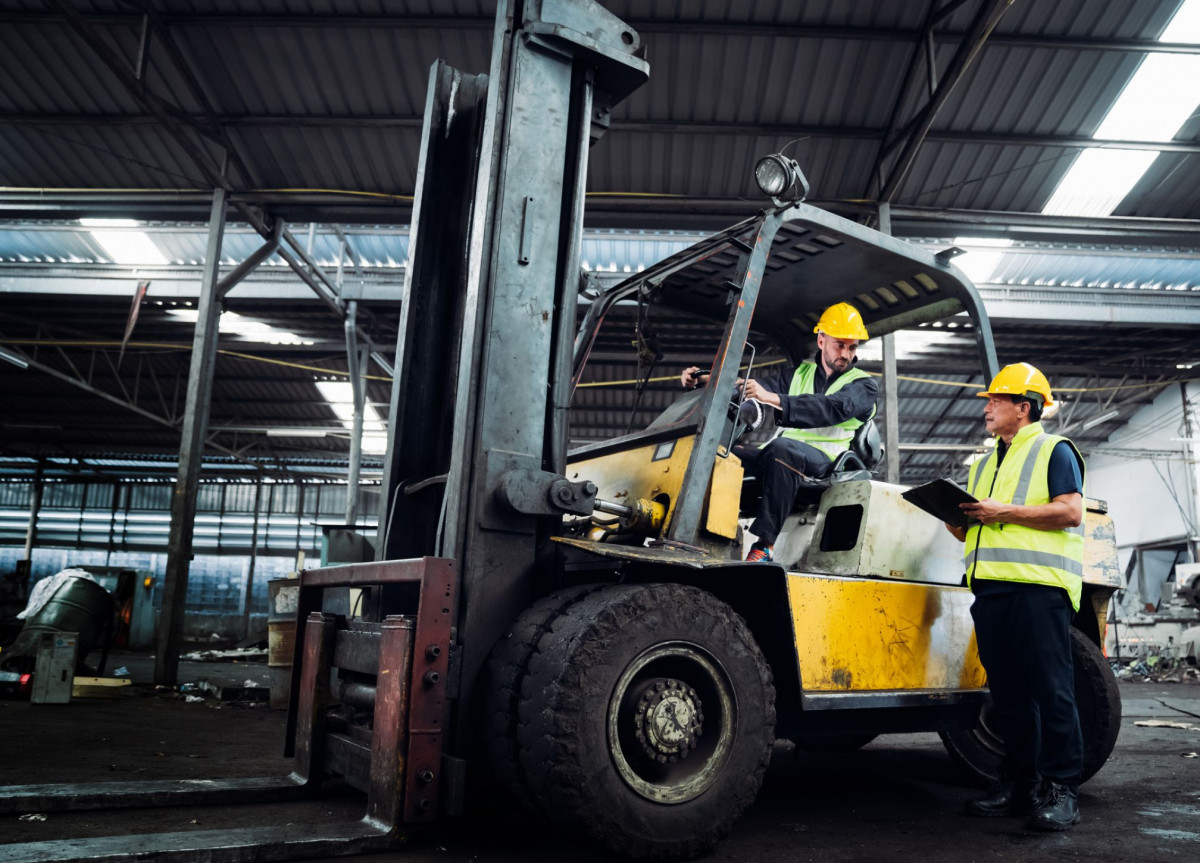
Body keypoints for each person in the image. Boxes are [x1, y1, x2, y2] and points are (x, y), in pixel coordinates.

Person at [946, 362, 1086, 832]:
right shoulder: (984, 462)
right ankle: (1018, 783)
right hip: (991, 590)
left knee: (1052, 691)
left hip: (1038, 589)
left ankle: (1061, 788)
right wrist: (954, 517)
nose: (987, 408)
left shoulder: (1054, 450)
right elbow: (975, 525)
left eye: (995, 401)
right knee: (1008, 696)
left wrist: (1003, 511)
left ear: (1023, 408)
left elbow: (1070, 512)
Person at [680, 302, 878, 563]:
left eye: (852, 347)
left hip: (827, 460)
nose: (846, 353)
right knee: (719, 454)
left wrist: (772, 398)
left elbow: (831, 408)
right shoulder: (799, 373)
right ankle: (705, 535)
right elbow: (752, 387)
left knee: (782, 449)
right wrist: (708, 380)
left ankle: (764, 546)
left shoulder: (863, 385)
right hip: (780, 455)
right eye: (839, 344)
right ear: (821, 341)